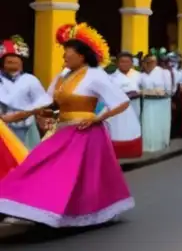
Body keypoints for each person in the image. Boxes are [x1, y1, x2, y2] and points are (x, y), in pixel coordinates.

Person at [0, 23, 134, 227]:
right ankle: (23, 204)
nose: (64, 58)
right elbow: (46, 104)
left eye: (67, 54)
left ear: (81, 56)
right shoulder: (62, 77)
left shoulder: (95, 75)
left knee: (73, 177)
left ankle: (65, 213)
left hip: (86, 134)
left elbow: (121, 101)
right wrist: (14, 117)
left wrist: (97, 118)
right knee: (37, 164)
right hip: (63, 130)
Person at [0, 36, 47, 149]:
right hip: (3, 130)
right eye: (8, 58)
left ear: (22, 61)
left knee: (28, 159)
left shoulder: (31, 80)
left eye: (15, 57)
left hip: (28, 129)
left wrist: (42, 121)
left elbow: (40, 105)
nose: (11, 60)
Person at [110, 52, 144, 159]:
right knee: (120, 129)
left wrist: (139, 93)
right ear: (117, 63)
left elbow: (143, 88)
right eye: (122, 62)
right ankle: (117, 151)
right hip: (120, 107)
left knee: (134, 126)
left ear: (132, 63)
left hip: (135, 104)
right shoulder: (111, 77)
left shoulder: (138, 75)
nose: (125, 64)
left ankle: (134, 150)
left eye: (128, 62)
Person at [139, 52, 172, 153]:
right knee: (148, 123)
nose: (151, 63)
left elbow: (169, 90)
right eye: (148, 61)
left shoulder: (164, 72)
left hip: (161, 103)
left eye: (153, 61)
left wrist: (159, 93)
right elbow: (139, 89)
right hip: (148, 102)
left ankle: (161, 143)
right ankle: (148, 145)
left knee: (160, 123)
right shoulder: (142, 75)